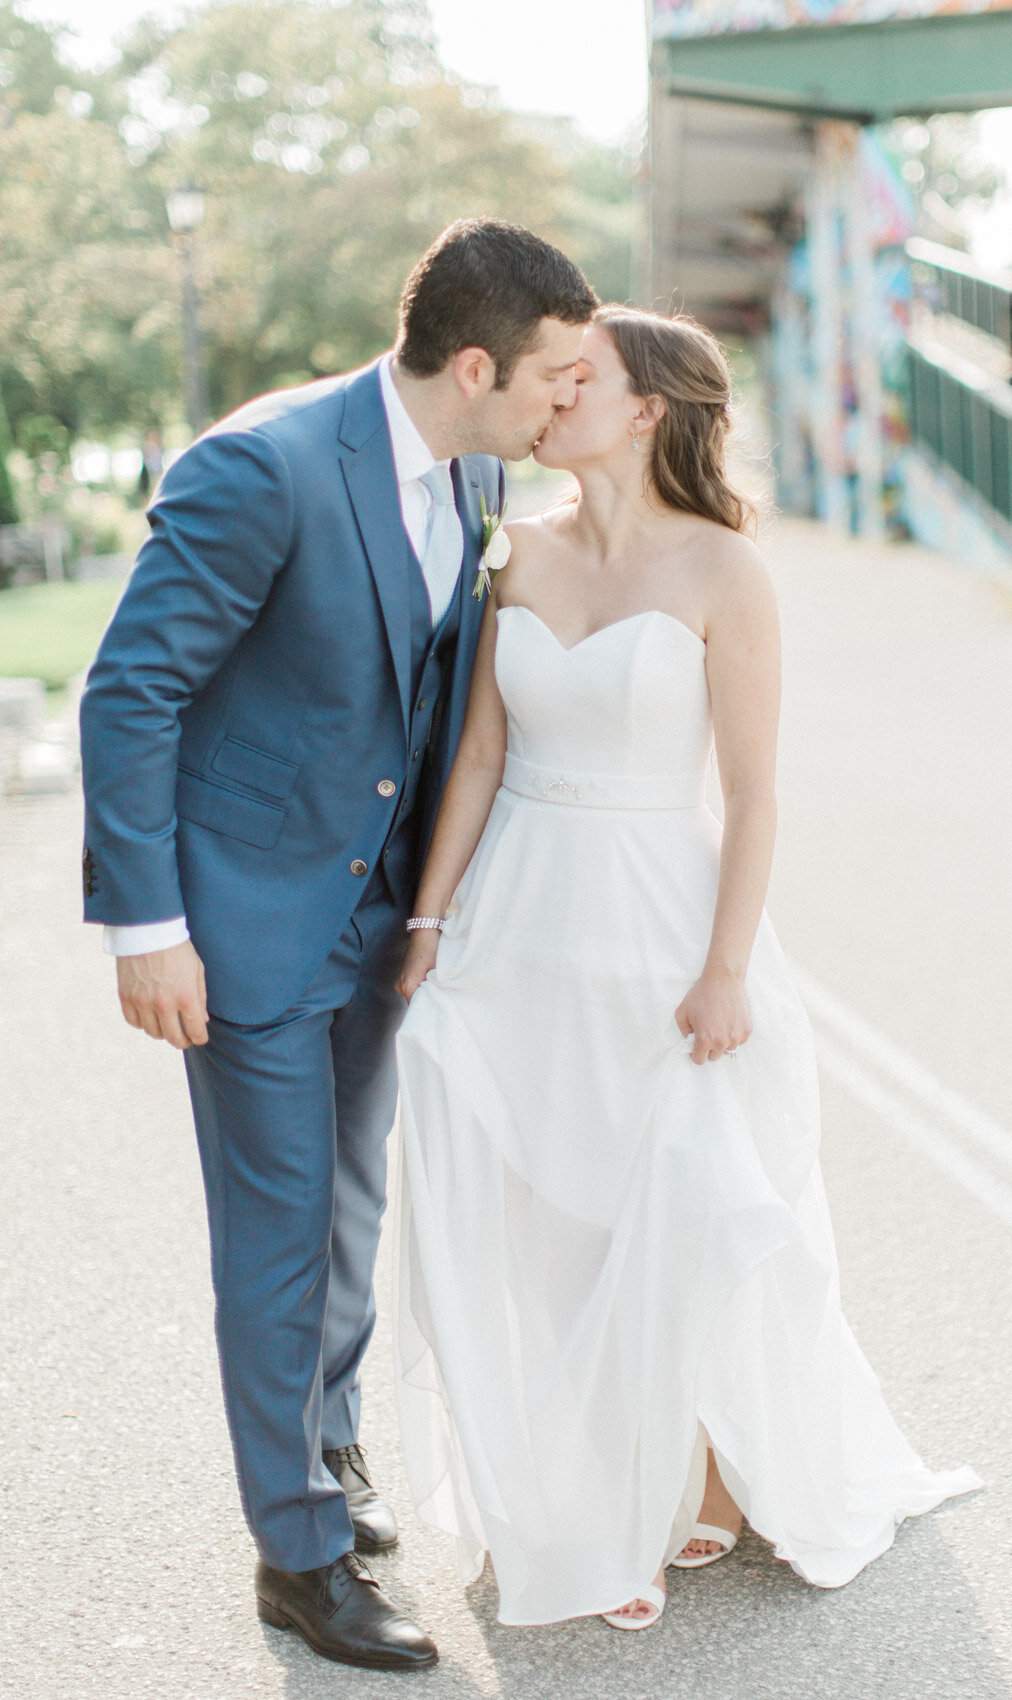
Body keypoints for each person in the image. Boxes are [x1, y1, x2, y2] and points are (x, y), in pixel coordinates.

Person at [392, 306, 981, 1631]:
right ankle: (582, 1491)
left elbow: (756, 793)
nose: (553, 399)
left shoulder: (726, 572)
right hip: (519, 917)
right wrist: (428, 927)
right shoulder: (517, 555)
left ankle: (711, 1461)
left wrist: (726, 972)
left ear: (649, 406)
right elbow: (481, 758)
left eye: (580, 380)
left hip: (662, 920)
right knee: (544, 1203)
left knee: (694, 1197)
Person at [79, 218, 597, 1670]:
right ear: (479, 364)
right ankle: (296, 1556)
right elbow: (129, 696)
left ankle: (329, 1455)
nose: (570, 399)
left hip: (376, 927)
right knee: (281, 1236)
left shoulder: (480, 465)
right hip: (241, 921)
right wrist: (147, 928)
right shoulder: (269, 464)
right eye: (556, 376)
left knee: (351, 1224)